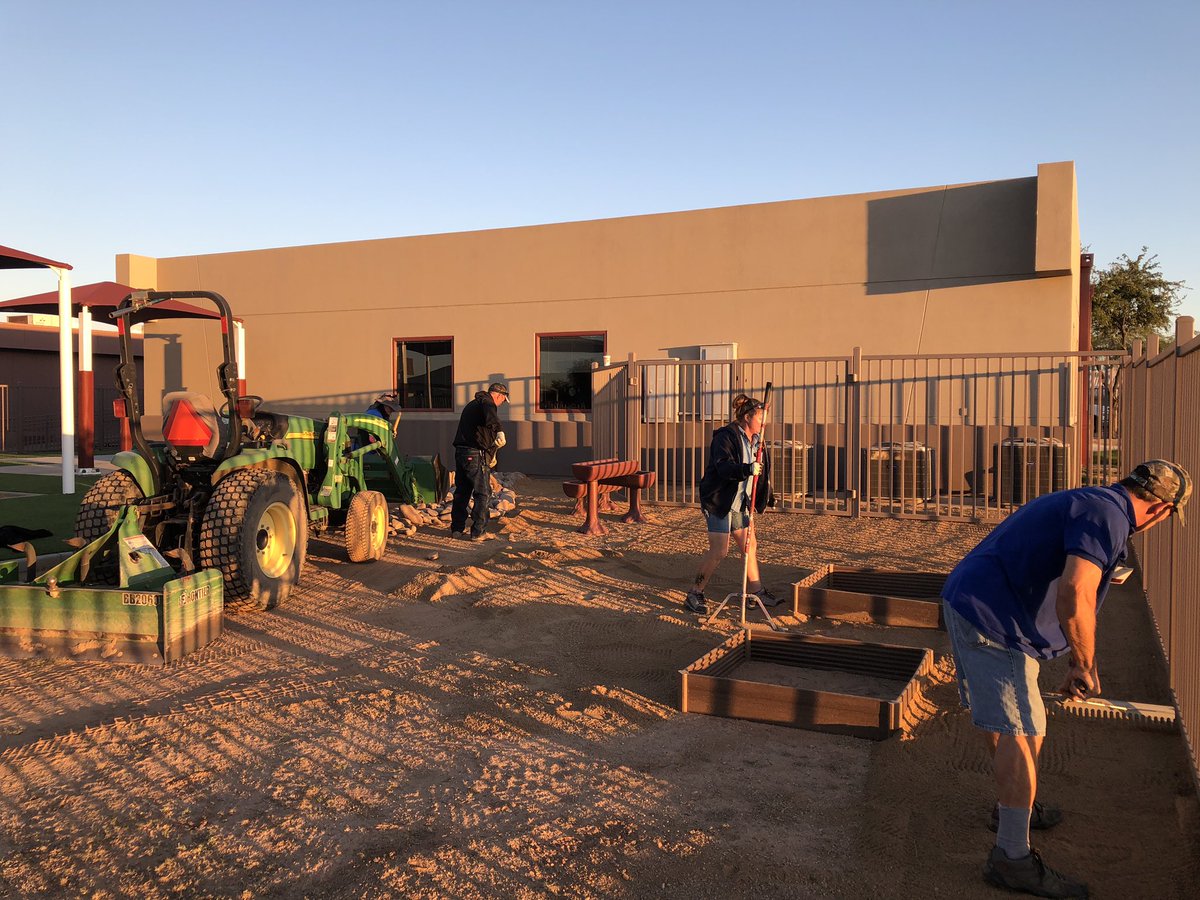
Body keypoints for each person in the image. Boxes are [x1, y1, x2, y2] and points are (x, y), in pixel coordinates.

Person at [941, 459, 1191, 898]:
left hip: (987, 607)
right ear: (1160, 509)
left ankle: (1015, 807)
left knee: (1017, 722)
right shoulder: (1109, 516)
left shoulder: (1099, 502)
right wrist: (1082, 664)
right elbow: (1075, 592)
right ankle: (1012, 859)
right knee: (1020, 729)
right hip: (992, 617)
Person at [683, 393, 781, 614]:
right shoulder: (725, 437)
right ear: (747, 417)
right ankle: (694, 592)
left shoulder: (757, 440)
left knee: (750, 545)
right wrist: (746, 469)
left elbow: (762, 474)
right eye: (760, 418)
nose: (763, 423)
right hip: (719, 499)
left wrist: (766, 496)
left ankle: (755, 593)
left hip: (739, 502)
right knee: (720, 550)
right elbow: (723, 467)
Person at [450, 382, 509, 541]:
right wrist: (500, 431)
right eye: (503, 400)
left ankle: (457, 529)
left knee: (462, 491)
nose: (501, 404)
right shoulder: (487, 402)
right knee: (482, 493)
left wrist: (491, 451)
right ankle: (478, 532)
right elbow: (491, 413)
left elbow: (482, 430)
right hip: (473, 454)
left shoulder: (473, 404)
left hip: (461, 452)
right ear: (498, 395)